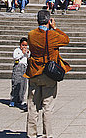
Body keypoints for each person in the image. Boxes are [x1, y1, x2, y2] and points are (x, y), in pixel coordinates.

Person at [26, 9, 71, 138]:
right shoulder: (53, 35)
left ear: (37, 20)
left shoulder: (31, 34)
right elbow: (66, 40)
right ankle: (47, 134)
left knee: (32, 106)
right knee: (48, 106)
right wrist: (55, 28)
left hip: (34, 72)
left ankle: (31, 134)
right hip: (49, 74)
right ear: (49, 21)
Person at [10, 37, 30, 108]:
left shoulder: (28, 51)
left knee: (23, 84)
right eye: (23, 45)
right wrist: (22, 53)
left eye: (25, 45)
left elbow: (29, 58)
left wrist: (27, 54)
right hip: (18, 67)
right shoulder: (17, 50)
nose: (24, 47)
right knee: (16, 83)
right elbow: (15, 57)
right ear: (20, 44)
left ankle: (21, 99)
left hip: (25, 67)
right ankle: (13, 99)